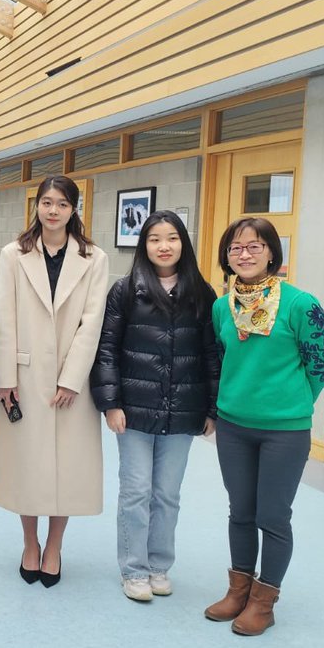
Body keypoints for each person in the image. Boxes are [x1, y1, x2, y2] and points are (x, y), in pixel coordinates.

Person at [203, 217, 324, 636]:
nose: (244, 254)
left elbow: (322, 367)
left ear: (272, 253)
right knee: (240, 511)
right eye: (235, 248)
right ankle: (238, 590)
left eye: (254, 246)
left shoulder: (301, 304)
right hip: (233, 426)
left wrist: (290, 402)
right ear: (227, 257)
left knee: (273, 516)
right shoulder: (222, 307)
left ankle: (264, 603)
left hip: (285, 431)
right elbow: (222, 358)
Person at [90, 210, 219, 602]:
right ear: (144, 245)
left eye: (172, 238)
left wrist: (211, 409)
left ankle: (159, 565)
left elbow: (213, 355)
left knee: (167, 494)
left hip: (183, 411)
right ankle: (134, 569)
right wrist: (111, 404)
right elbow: (107, 349)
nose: (164, 246)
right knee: (135, 492)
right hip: (134, 411)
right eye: (155, 239)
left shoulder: (202, 293)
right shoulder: (126, 290)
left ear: (183, 244)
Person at [0, 175, 108, 587]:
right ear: (36, 206)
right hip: (24, 377)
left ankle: (54, 546)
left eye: (62, 204)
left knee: (66, 468)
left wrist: (72, 378)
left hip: (72, 380)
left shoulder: (94, 258)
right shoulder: (13, 254)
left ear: (74, 209)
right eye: (46, 202)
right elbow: (4, 317)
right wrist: (5, 377)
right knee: (27, 465)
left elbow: (92, 322)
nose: (53, 210)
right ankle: (30, 543)